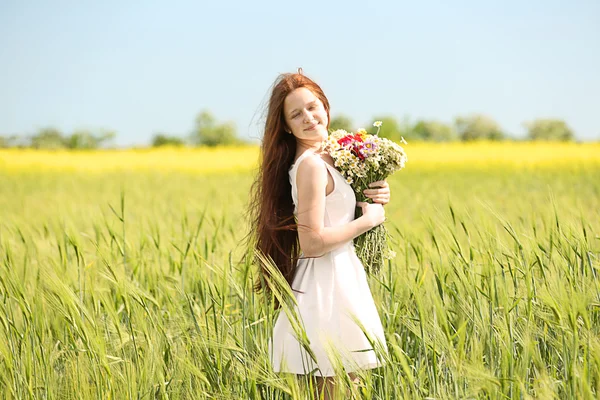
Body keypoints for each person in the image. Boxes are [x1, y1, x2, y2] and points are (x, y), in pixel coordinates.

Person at [247, 70, 390, 399]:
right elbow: (311, 242)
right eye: (296, 114)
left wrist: (375, 195)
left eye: (313, 107)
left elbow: (341, 209)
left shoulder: (336, 154)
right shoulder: (311, 165)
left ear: (326, 106)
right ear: (286, 126)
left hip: (341, 278)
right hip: (325, 288)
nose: (309, 118)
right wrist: (368, 221)